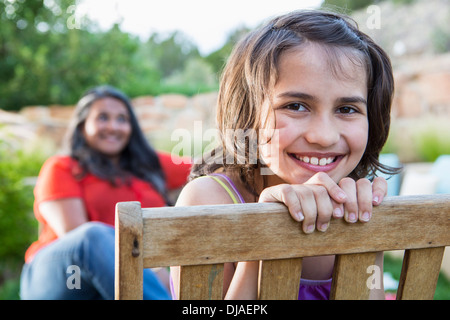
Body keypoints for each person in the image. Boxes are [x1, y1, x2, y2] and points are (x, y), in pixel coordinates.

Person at [171, 10, 400, 300]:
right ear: (247, 112)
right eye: (296, 106)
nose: (324, 136)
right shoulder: (206, 201)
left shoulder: (354, 204)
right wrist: (266, 233)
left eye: (347, 109)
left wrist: (370, 233)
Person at [20, 85, 191, 299]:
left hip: (123, 276)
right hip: (61, 275)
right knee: (92, 236)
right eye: (102, 118)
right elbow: (75, 236)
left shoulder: (149, 166)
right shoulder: (62, 167)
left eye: (122, 119)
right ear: (82, 126)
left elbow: (205, 167)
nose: (113, 126)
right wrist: (154, 271)